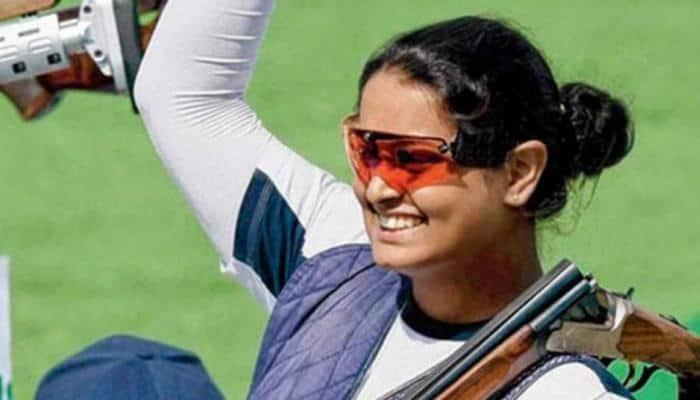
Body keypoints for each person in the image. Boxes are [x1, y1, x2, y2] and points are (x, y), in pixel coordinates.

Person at [134, 0, 634, 399]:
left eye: (410, 159)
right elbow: (180, 94)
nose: (377, 188)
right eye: (364, 150)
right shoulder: (332, 261)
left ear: (520, 172)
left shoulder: (569, 391)